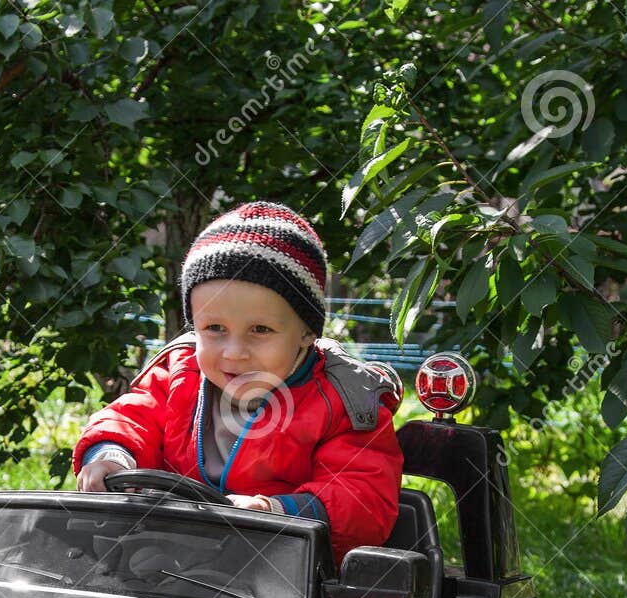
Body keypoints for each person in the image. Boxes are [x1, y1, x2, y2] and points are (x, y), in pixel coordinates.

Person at [72, 201, 404, 566]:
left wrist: (274, 509)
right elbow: (132, 417)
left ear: (307, 332)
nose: (234, 352)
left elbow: (363, 498)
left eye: (260, 330)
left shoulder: (344, 402)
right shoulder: (177, 375)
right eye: (214, 329)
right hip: (170, 546)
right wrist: (111, 455)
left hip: (283, 567)